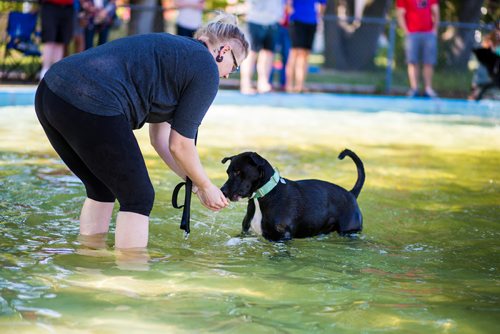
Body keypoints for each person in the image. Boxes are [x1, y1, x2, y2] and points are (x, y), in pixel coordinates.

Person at [34, 12, 249, 249]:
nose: (229, 74)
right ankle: (132, 275)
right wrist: (207, 186)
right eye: (235, 67)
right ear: (224, 51)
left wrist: (196, 183)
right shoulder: (206, 68)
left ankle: (90, 259)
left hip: (51, 91)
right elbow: (180, 144)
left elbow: (161, 139)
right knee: (139, 197)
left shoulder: (180, 55)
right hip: (91, 99)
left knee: (102, 187)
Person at [396, 0, 440, 98]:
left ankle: (428, 89)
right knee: (412, 62)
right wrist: (406, 31)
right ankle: (414, 89)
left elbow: (435, 11)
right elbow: (400, 13)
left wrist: (435, 29)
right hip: (412, 33)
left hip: (429, 33)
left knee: (429, 62)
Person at [239, 0, 283, 94]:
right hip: (255, 19)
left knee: (268, 52)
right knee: (251, 53)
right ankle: (246, 84)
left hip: (273, 21)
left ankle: (263, 83)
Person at [285, 0, 326, 93]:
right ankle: (289, 85)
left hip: (311, 22)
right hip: (297, 21)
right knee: (294, 53)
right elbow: (287, 4)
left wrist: (318, 16)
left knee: (305, 54)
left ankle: (300, 85)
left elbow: (322, 4)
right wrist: (291, 11)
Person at [40, 0, 74, 80]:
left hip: (67, 7)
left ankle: (55, 74)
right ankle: (44, 72)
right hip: (50, 6)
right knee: (49, 40)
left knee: (61, 41)